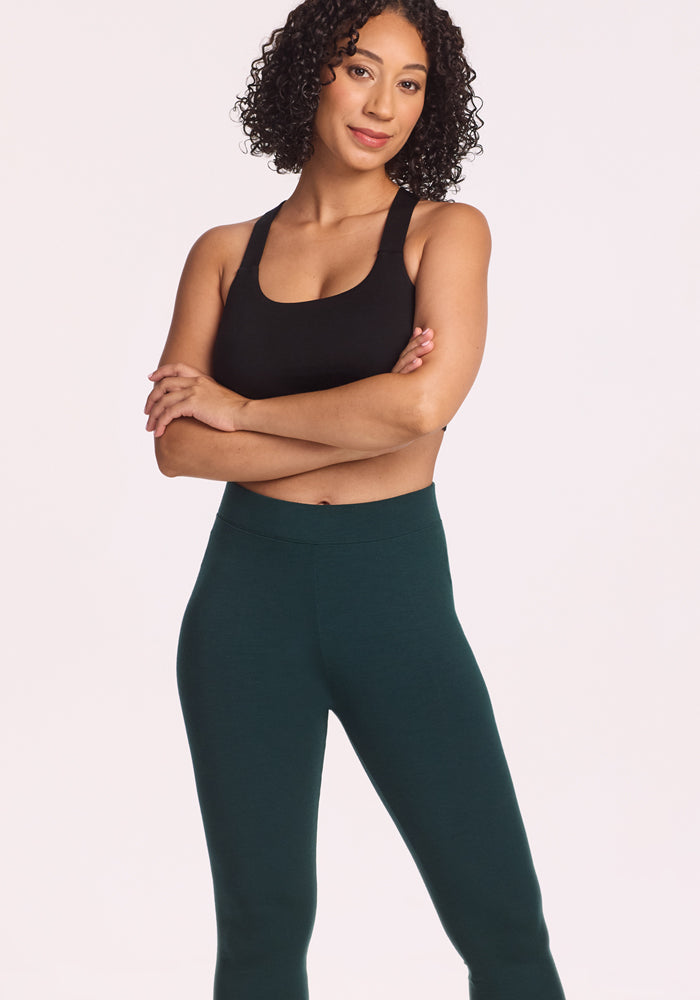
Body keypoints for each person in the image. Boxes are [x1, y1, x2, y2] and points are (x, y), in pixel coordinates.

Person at [144, 2, 567, 997]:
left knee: (502, 922)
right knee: (262, 931)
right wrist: (362, 417)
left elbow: (421, 406)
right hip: (244, 603)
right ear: (310, 75)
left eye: (410, 83)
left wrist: (241, 410)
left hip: (393, 596)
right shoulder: (222, 252)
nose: (384, 105)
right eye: (361, 69)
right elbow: (179, 450)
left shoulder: (444, 233)